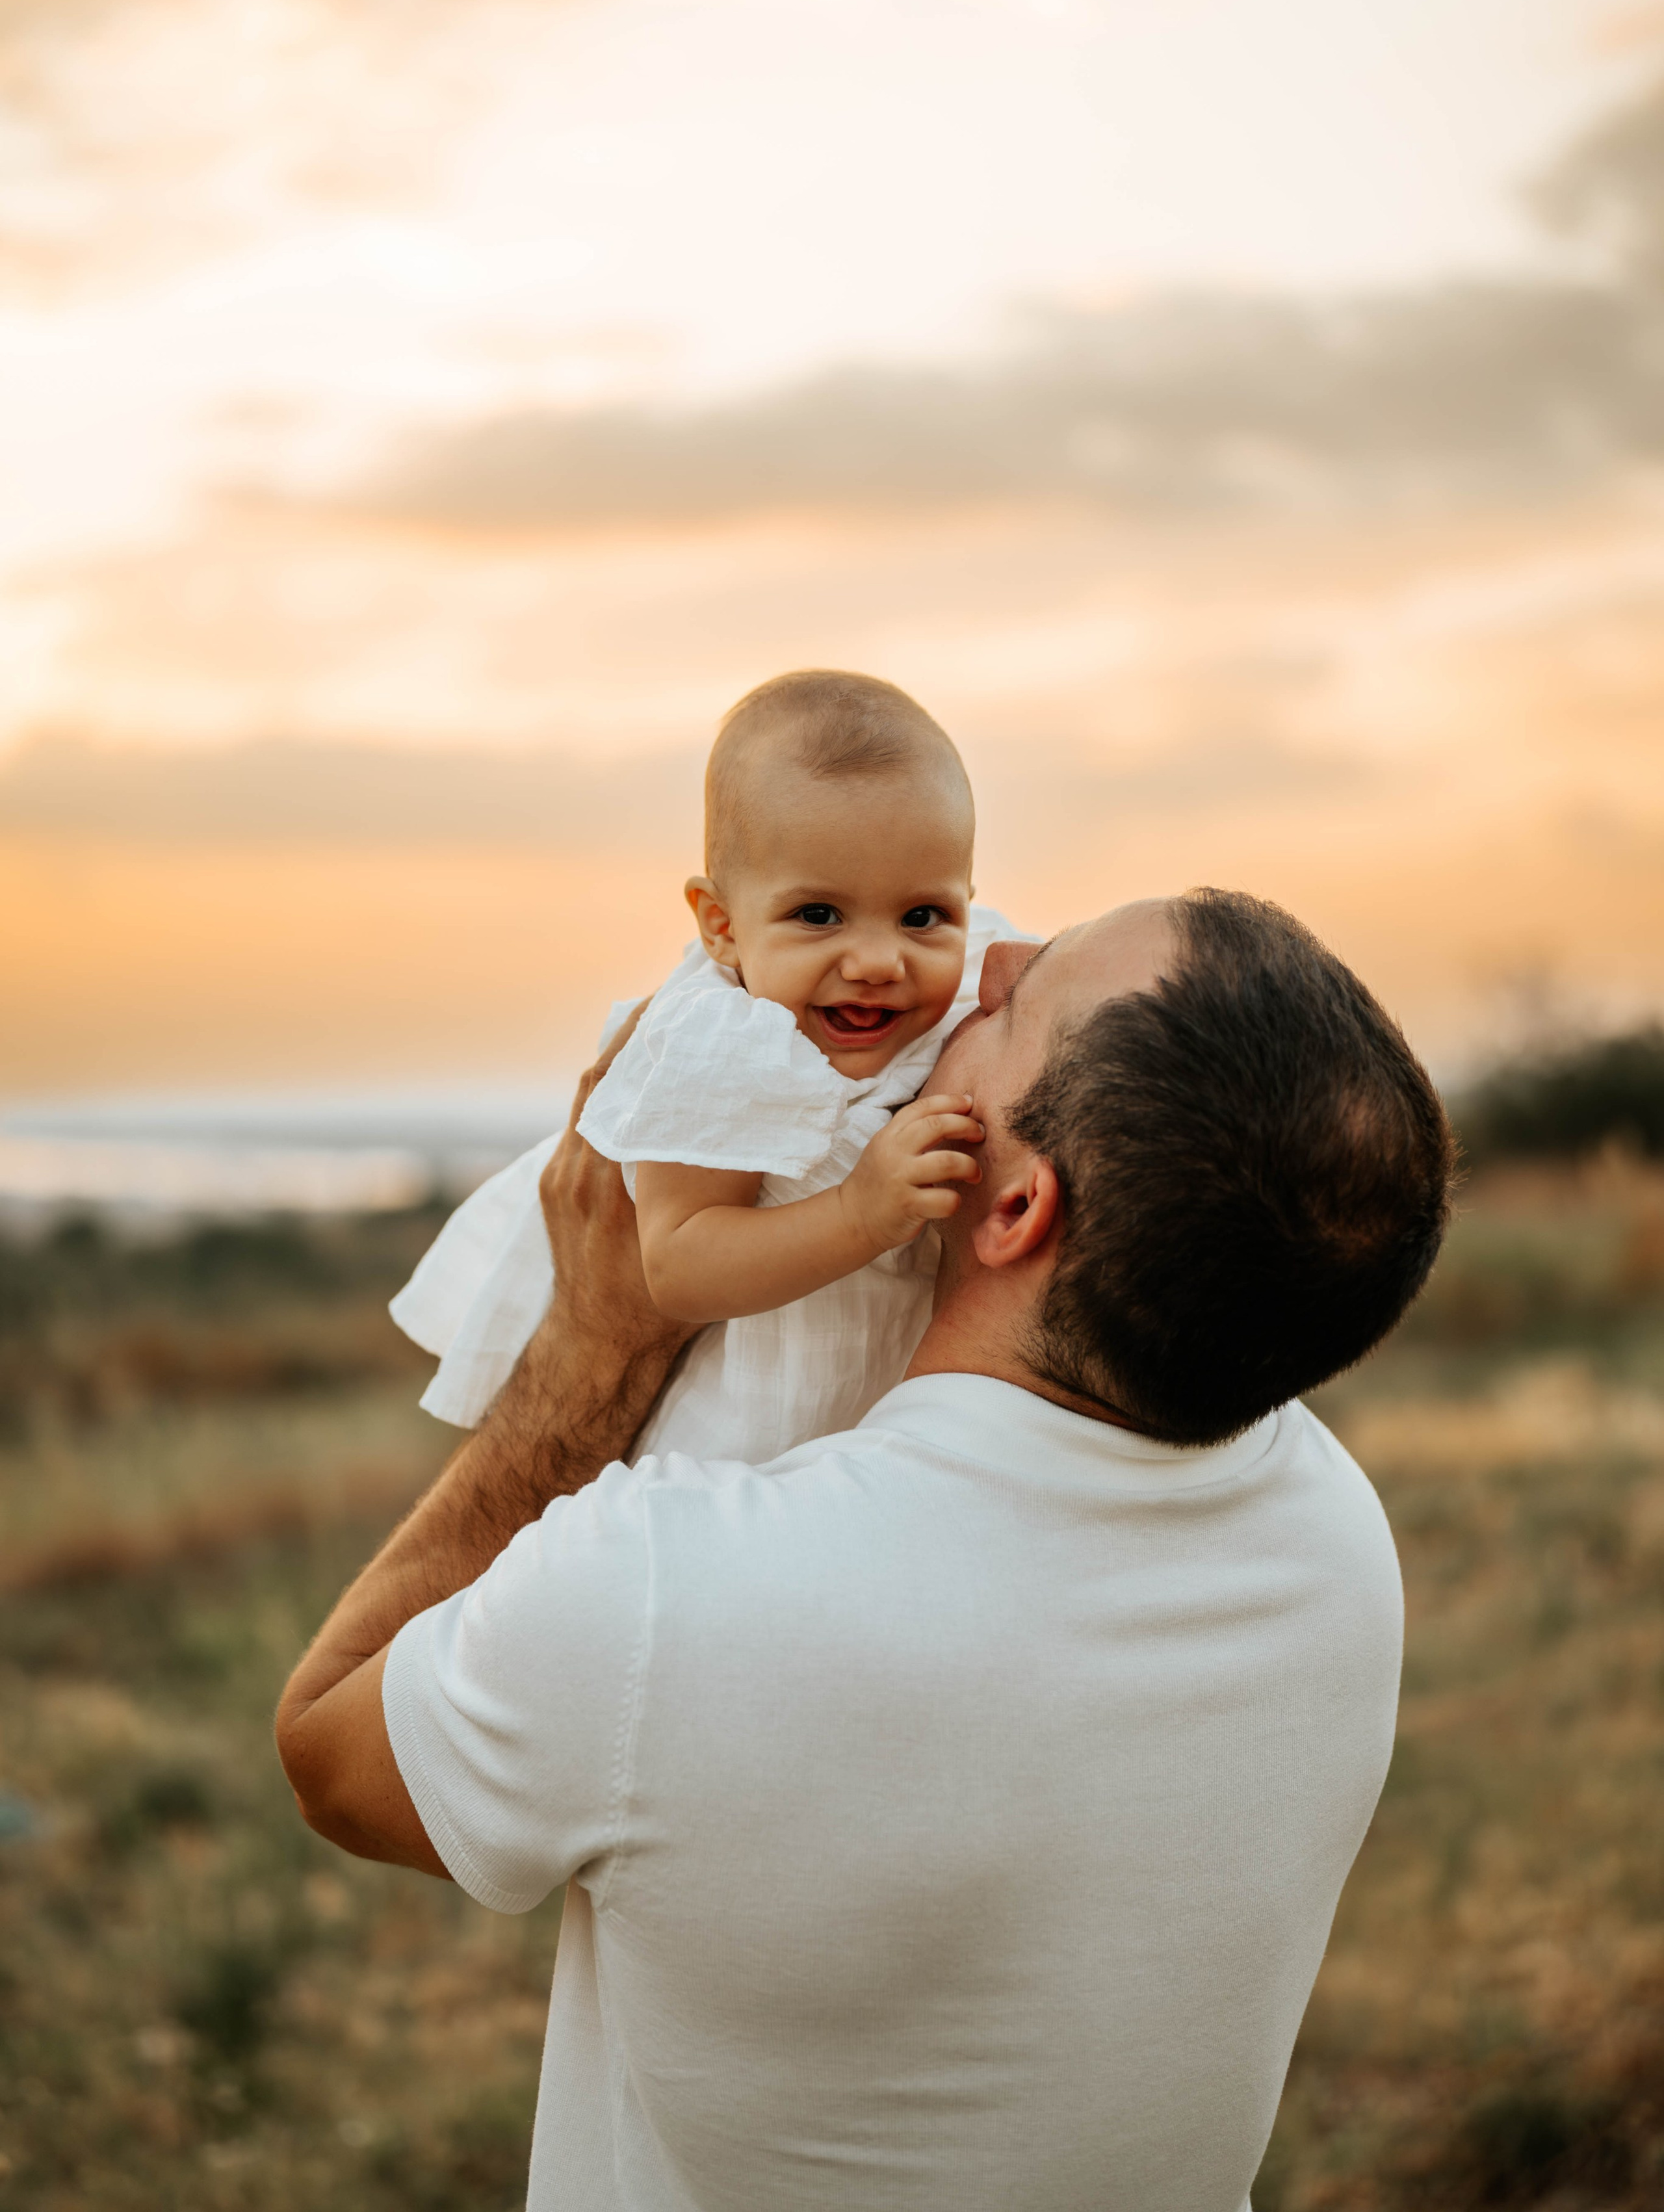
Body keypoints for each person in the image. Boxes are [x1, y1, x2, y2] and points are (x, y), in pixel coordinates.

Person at [277, 889, 1454, 2212]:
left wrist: (592, 1352)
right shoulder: (1334, 1535)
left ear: (1016, 1206)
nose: (987, 961)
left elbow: (331, 1752)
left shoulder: (671, 1593)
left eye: (1020, 999)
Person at [391, 670, 1019, 1461]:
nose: (876, 960)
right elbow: (678, 1263)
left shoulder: (970, 979)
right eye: (817, 915)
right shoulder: (720, 1042)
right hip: (736, 1438)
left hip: (884, 1425)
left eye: (922, 915)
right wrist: (859, 1212)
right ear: (721, 924)